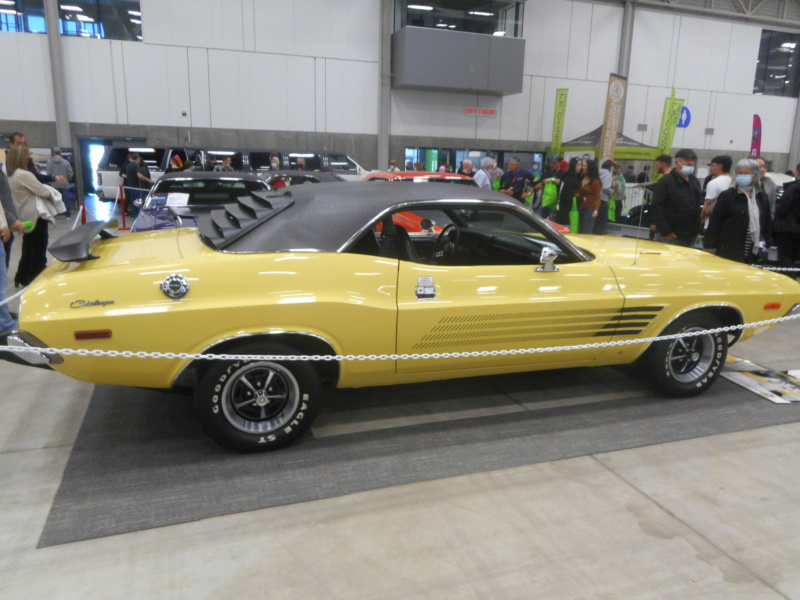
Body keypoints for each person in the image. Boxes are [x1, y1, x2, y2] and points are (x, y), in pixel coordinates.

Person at [704, 158, 771, 263]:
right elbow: (715, 223)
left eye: (746, 173)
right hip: (729, 250)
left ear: (754, 175)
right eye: (740, 173)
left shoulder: (761, 197)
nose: (742, 176)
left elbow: (766, 222)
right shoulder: (728, 195)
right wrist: (710, 247)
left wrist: (767, 243)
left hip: (753, 250)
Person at [6, 145, 54, 287]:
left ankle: (21, 275)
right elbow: (44, 192)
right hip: (35, 215)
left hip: (22, 214)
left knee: (28, 246)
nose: (29, 158)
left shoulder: (10, 175)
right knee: (39, 247)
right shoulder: (24, 175)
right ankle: (35, 277)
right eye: (27, 155)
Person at [650, 148, 702, 247]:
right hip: (672, 235)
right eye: (687, 160)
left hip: (690, 235)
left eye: (692, 160)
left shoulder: (695, 182)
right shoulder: (666, 181)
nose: (690, 163)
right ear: (677, 163)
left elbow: (696, 204)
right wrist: (665, 231)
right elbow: (657, 206)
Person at [772, 163, 800, 269]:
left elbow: (781, 209)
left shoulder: (792, 189)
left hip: (787, 229)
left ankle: (789, 281)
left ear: (797, 172)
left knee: (785, 258)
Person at [700, 155, 732, 227]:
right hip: (728, 223)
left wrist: (700, 220)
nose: (711, 168)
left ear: (720, 167)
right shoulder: (733, 181)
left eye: (713, 166)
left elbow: (707, 207)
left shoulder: (714, 183)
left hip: (713, 223)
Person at [555, 157, 583, 226]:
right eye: (578, 165)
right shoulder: (570, 178)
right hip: (566, 212)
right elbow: (568, 197)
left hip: (564, 210)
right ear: (573, 165)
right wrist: (581, 199)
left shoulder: (570, 176)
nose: (580, 167)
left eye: (581, 165)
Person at [576, 159, 602, 234]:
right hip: (580, 207)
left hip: (590, 208)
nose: (582, 167)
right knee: (579, 230)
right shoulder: (582, 178)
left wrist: (596, 209)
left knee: (587, 230)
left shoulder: (595, 181)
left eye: (585, 166)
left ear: (590, 168)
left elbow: (597, 197)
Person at [594, 159, 617, 234]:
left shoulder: (597, 172)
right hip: (603, 199)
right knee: (601, 221)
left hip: (596, 198)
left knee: (596, 220)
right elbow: (606, 187)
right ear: (610, 167)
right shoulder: (608, 174)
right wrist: (612, 191)